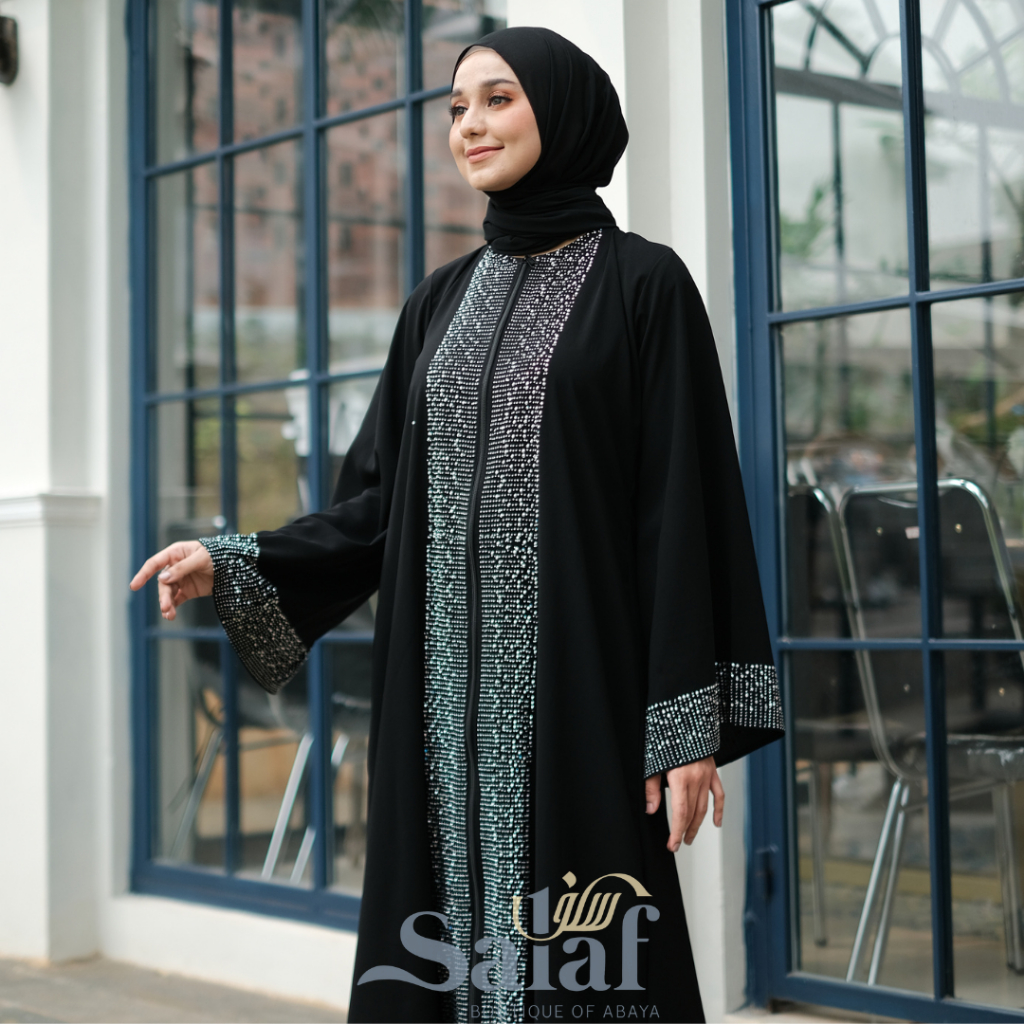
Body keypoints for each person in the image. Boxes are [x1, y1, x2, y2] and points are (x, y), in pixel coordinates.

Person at [131, 26, 784, 1024]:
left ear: (562, 112)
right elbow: (377, 506)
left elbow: (682, 511)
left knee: (588, 956)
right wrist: (237, 559)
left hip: (582, 695)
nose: (470, 125)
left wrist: (684, 722)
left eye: (498, 99)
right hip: (435, 705)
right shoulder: (437, 303)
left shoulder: (643, 285)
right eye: (456, 108)